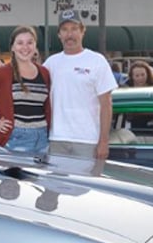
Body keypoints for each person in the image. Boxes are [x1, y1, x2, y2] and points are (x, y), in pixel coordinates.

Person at [43, 9, 118, 159]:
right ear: (59, 34)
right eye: (64, 30)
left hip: (87, 141)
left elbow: (106, 104)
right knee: (57, 183)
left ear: (83, 31)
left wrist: (103, 141)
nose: (69, 35)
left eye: (74, 29)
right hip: (57, 139)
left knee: (84, 182)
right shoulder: (51, 63)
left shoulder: (97, 61)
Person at [0, 25, 51, 154]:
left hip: (43, 138)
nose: (25, 47)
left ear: (35, 45)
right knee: (17, 174)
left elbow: (47, 107)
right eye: (20, 43)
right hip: (16, 137)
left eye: (30, 42)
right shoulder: (3, 73)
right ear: (12, 47)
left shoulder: (44, 73)